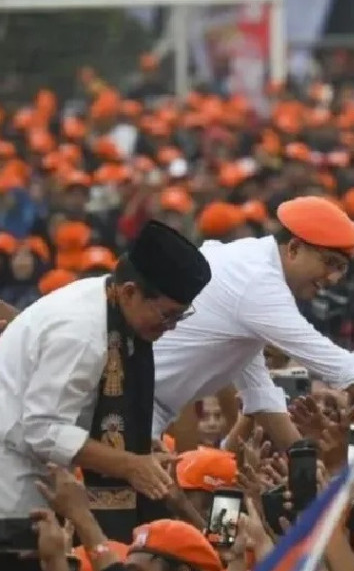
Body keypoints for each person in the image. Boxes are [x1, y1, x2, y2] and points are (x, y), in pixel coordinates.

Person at [152, 197, 354, 447]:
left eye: (342, 269)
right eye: (330, 263)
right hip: (128, 409)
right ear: (294, 248)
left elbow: (263, 397)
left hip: (140, 411)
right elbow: (340, 367)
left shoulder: (250, 265)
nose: (334, 278)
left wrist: (309, 468)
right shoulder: (257, 281)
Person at [0, 219, 211, 541]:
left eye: (180, 317)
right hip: (12, 490)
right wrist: (128, 464)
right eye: (167, 315)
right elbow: (42, 430)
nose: (171, 327)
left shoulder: (108, 300)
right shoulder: (82, 333)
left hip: (41, 481)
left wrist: (137, 448)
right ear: (129, 292)